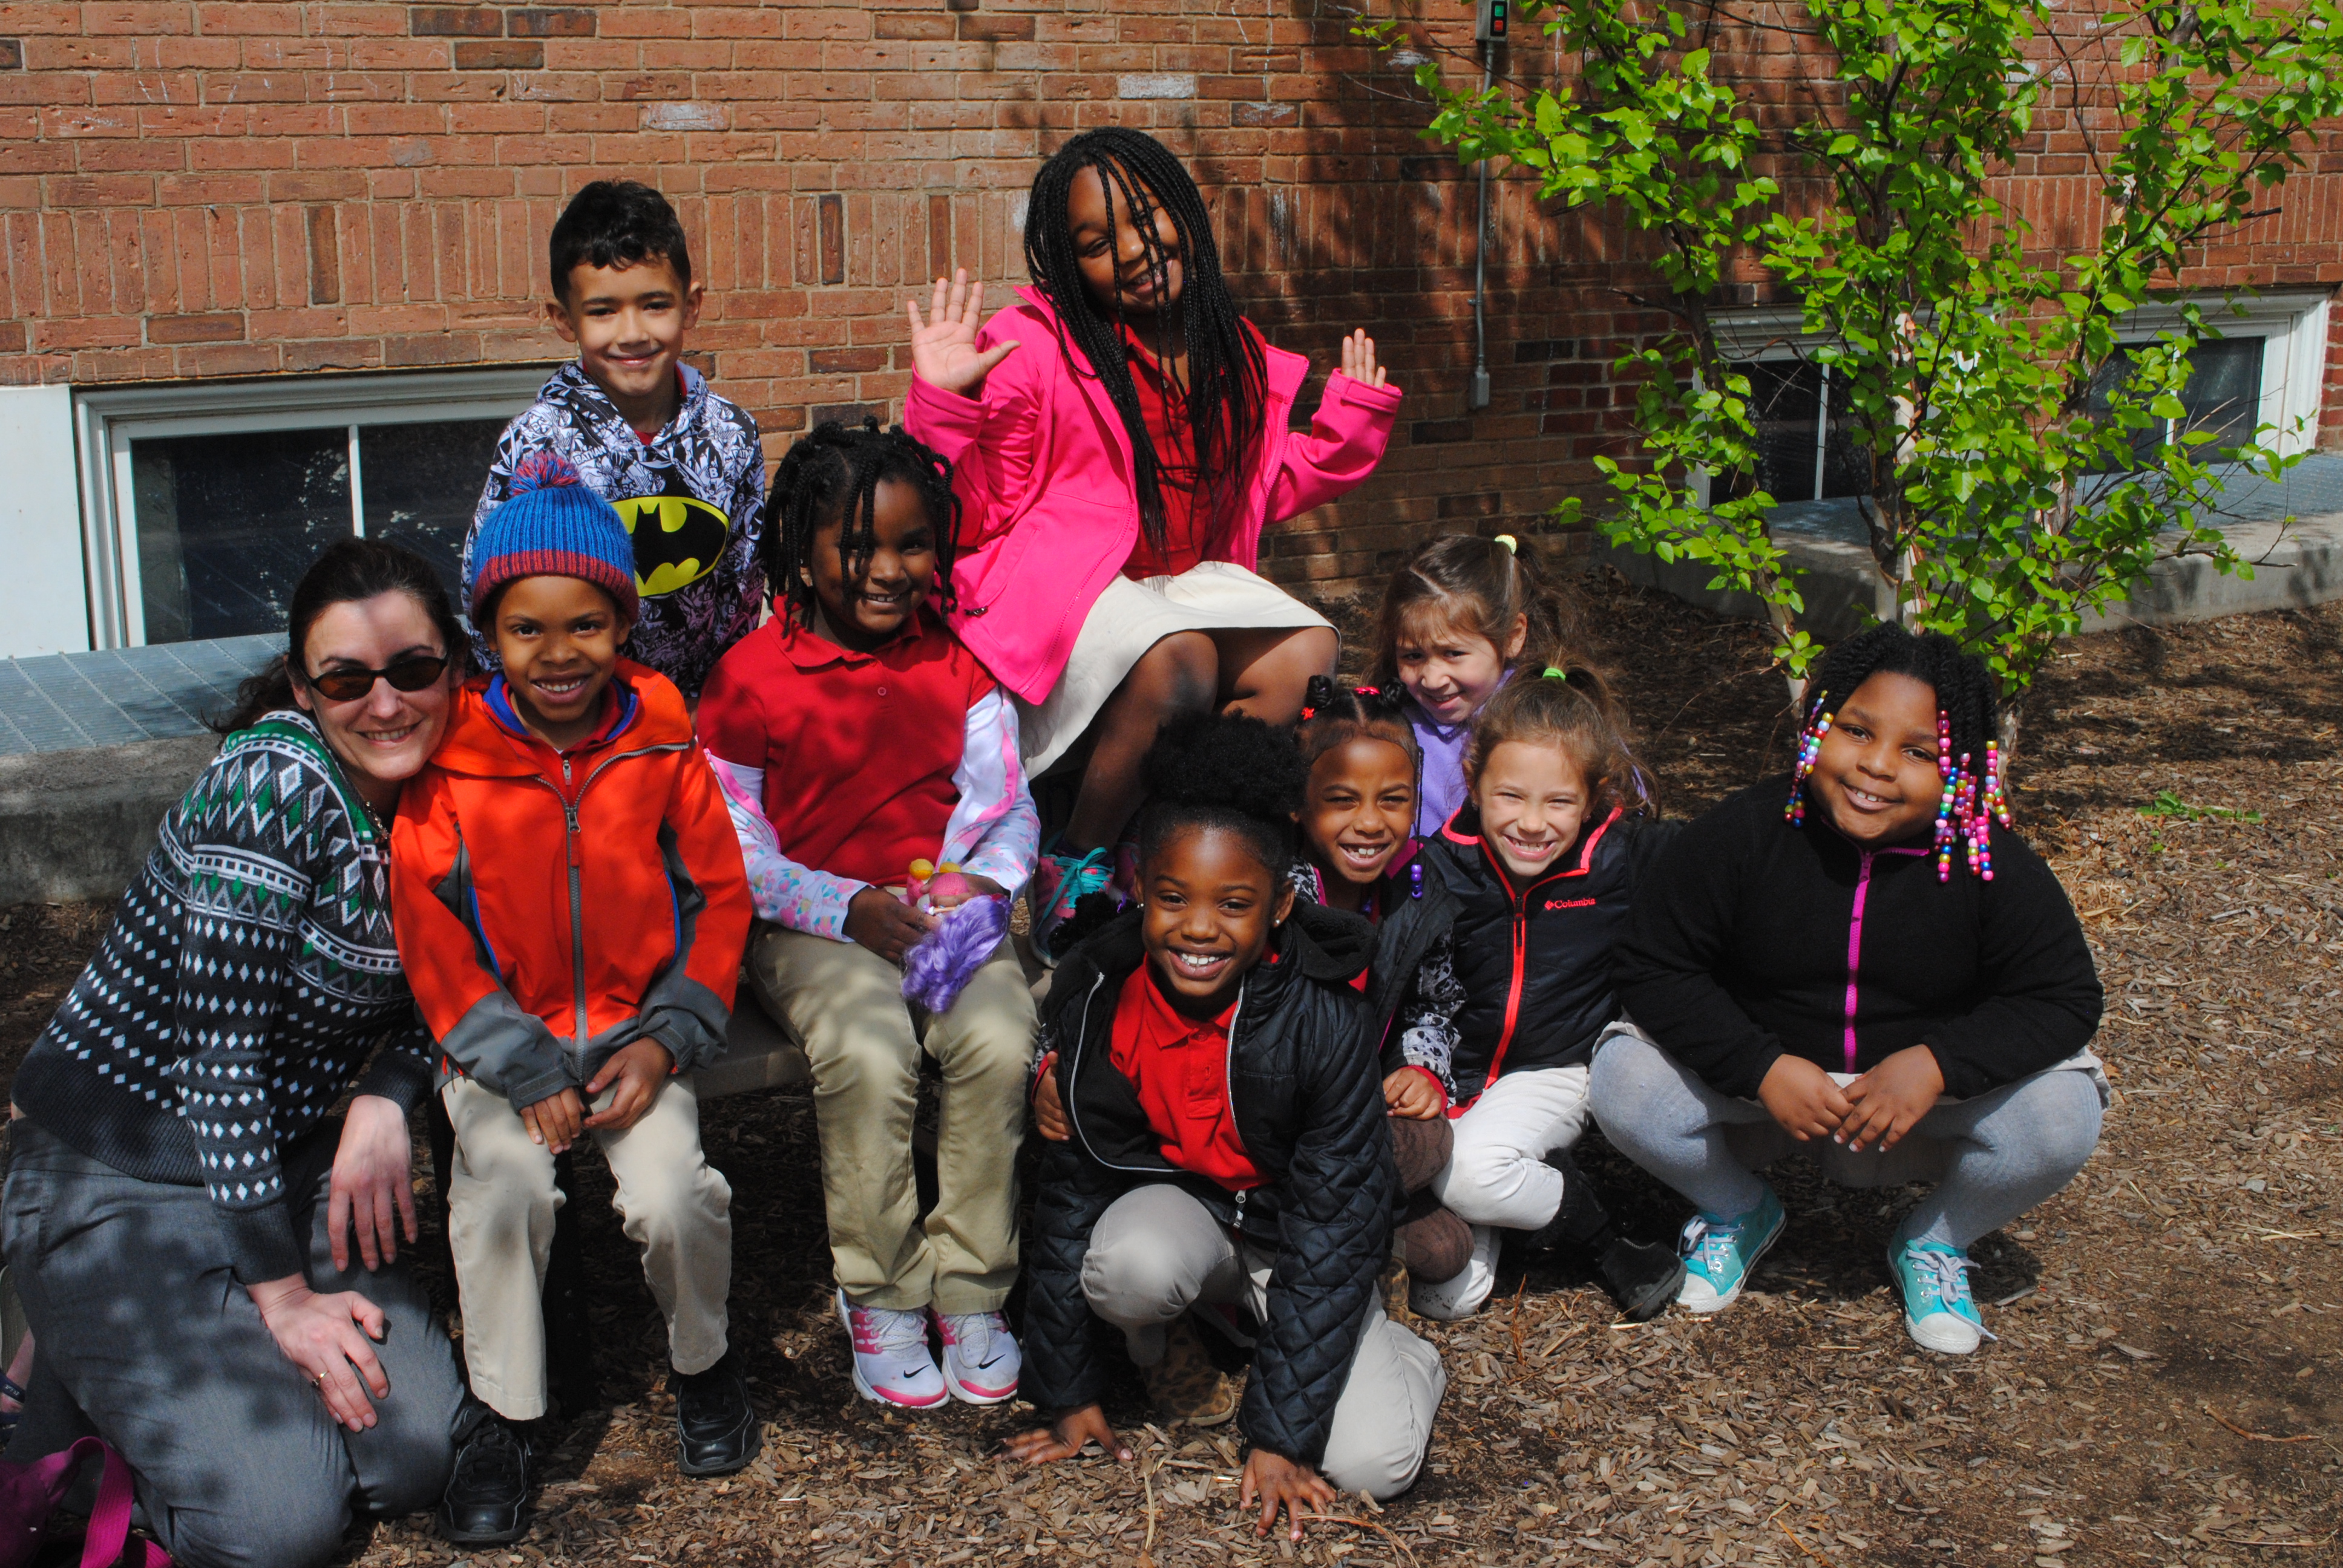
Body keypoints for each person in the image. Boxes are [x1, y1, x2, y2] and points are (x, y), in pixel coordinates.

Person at [4, 539, 475, 1567]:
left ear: (456, 666)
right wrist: (288, 1301)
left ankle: (111, 1362)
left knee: (416, 1457)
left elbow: (477, 982)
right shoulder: (274, 783)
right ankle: (70, 1382)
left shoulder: (470, 789)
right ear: (306, 688)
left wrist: (390, 1094)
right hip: (118, 1172)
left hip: (286, 1161)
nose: (386, 703)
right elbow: (217, 1058)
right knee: (279, 1527)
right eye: (347, 678)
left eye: (413, 669)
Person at [903, 126, 1403, 960]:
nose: (1133, 252)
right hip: (1072, 592)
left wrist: (1349, 421)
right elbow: (975, 510)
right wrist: (944, 408)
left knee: (1307, 647)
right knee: (1184, 659)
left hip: (1177, 586)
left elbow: (1260, 487)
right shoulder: (1035, 345)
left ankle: (1171, 836)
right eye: (1096, 244)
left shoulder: (1229, 348)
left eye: (1146, 217)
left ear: (1185, 209)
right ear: (1068, 264)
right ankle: (1078, 858)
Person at [392, 454, 757, 1541]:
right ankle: (504, 1414)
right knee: (503, 1189)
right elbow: (429, 920)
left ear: (623, 625)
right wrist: (521, 1065)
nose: (559, 655)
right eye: (526, 630)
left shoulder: (658, 727)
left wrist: (668, 1039)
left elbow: (718, 892)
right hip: (506, 1048)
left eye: (586, 625)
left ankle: (704, 1363)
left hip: (635, 1038)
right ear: (489, 637)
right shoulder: (453, 753)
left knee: (675, 1194)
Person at [1596, 624, 2107, 1354]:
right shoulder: (1742, 832)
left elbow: (2062, 998)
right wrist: (1759, 1067)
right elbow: (1652, 965)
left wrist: (1935, 1064)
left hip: (1913, 1114)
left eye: (1918, 752)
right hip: (1762, 1101)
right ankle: (1738, 1208)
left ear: (1961, 768)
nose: (1875, 767)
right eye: (1856, 731)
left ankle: (1933, 1242)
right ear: (1815, 726)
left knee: (2063, 1113)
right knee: (1622, 1079)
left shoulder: (1989, 863)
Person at [1011, 714, 1445, 1538]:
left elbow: (1333, 1227)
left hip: (1299, 1243)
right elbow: (1070, 1200)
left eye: (1234, 904)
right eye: (1174, 898)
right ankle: (1191, 1326)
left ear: (1280, 904)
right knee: (1127, 1266)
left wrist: (1278, 1438)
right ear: (1141, 890)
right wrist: (1067, 1395)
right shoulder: (1105, 1002)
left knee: (1373, 1465)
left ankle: (1396, 1353)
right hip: (1191, 1217)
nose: (1200, 928)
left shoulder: (1325, 1022)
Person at [698, 422, 1037, 1411]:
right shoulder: (749, 676)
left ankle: (972, 1286)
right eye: (858, 546)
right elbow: (732, 842)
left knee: (1000, 1035)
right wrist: (844, 906)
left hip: (942, 918)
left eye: (911, 543)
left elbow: (1001, 801)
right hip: (812, 926)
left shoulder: (959, 665)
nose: (888, 569)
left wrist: (972, 887)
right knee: (872, 1051)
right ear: (800, 554)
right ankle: (881, 1292)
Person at [1403, 667, 1686, 1323]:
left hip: (1554, 1068)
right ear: (1472, 781)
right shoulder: (1438, 865)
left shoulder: (1617, 858)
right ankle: (1497, 1193)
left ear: (1591, 800)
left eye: (1558, 802)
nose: (1531, 824)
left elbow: (1725, 857)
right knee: (1447, 1299)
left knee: (1468, 1173)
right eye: (1509, 796)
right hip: (1454, 1073)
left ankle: (1602, 1236)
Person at [468, 178, 765, 697]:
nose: (632, 333)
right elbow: (485, 593)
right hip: (572, 715)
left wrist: (717, 702)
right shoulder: (537, 442)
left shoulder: (732, 434)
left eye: (655, 305)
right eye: (603, 311)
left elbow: (743, 584)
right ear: (564, 319)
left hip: (691, 715)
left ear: (691, 306)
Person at [1288, 678, 1475, 1297]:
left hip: (1363, 1114)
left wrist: (1420, 1069)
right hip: (1277, 1117)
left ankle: (1338, 1230)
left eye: (1392, 800)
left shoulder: (1416, 894)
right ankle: (1315, 1246)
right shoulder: (1271, 893)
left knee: (1445, 1246)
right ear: (1297, 802)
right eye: (1341, 800)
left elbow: (1433, 1002)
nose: (1369, 824)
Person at [1372, 533, 1590, 837]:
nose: (1433, 679)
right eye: (1412, 656)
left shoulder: (1549, 714)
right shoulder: (1387, 727)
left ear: (1513, 637)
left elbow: (1618, 798)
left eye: (1454, 653)